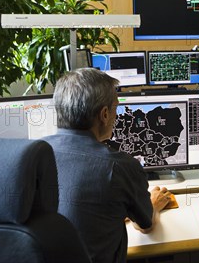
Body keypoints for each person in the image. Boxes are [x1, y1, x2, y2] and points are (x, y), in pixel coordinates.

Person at [44, 68, 172, 263]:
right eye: (115, 109)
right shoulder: (120, 166)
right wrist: (153, 204)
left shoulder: (33, 154)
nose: (116, 116)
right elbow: (145, 226)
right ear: (104, 114)